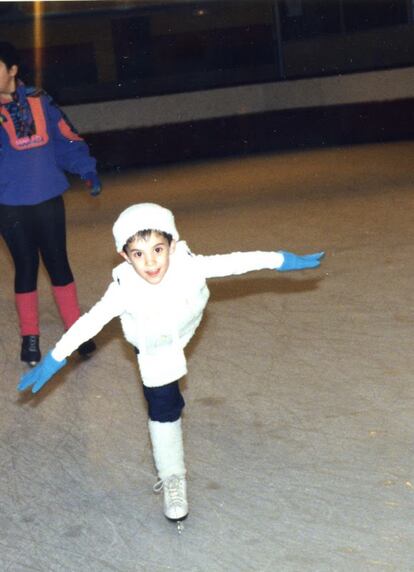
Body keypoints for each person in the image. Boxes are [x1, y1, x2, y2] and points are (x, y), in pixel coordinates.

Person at [18, 202, 324, 522]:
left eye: (158, 249)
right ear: (124, 256)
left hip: (186, 324)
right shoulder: (123, 291)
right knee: (164, 408)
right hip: (155, 347)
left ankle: (171, 420)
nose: (150, 262)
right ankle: (173, 476)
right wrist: (55, 357)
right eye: (138, 253)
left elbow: (235, 262)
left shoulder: (187, 266)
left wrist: (279, 259)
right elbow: (89, 323)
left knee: (169, 400)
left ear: (173, 246)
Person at [0, 42, 101, 365]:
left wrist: (86, 168)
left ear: (13, 70)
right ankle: (30, 338)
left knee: (58, 262)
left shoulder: (41, 101)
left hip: (47, 197)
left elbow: (65, 138)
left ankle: (76, 330)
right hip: (9, 203)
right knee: (26, 267)